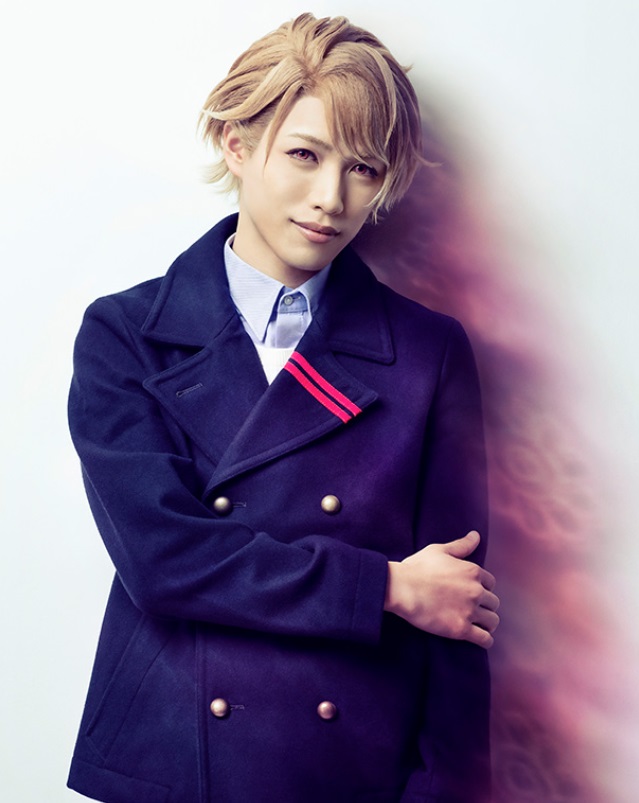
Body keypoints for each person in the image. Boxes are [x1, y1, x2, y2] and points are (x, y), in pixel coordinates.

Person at [67, 13, 499, 803]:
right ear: (235, 143)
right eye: (305, 154)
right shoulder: (125, 335)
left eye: (363, 168)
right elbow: (164, 560)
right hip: (171, 765)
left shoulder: (428, 351)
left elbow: (456, 611)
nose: (331, 198)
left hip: (346, 768)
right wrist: (385, 587)